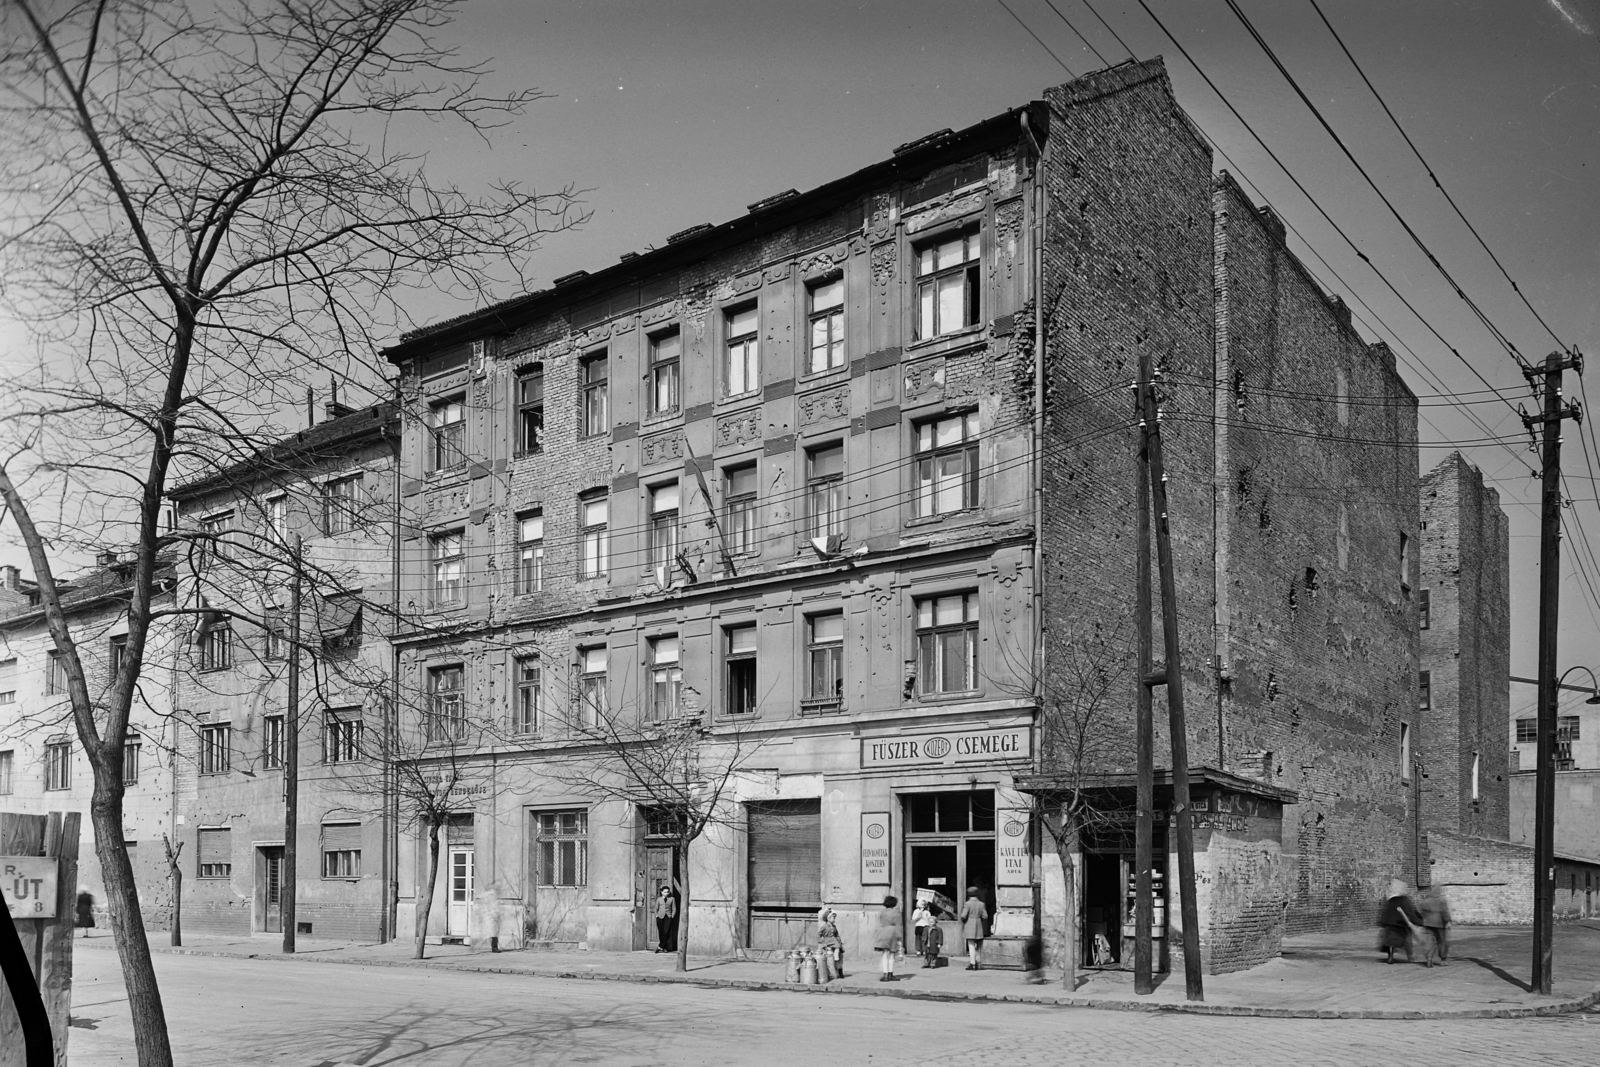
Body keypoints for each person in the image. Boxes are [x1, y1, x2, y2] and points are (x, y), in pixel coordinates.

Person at [1376, 879, 1420, 964]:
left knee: (1390, 942)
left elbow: (1385, 912)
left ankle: (1390, 957)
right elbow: (1411, 911)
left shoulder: (1390, 900)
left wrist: (1382, 922)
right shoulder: (1405, 900)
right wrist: (1417, 921)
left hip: (1390, 924)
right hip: (1402, 924)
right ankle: (1410, 957)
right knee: (1407, 941)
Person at [1416, 884, 1452, 967]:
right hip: (1439, 924)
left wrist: (1423, 921)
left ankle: (1429, 958)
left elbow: (1421, 912)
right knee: (1441, 941)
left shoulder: (1426, 901)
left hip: (1428, 924)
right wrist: (1448, 921)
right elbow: (1444, 912)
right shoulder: (1441, 900)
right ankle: (1443, 959)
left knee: (1430, 942)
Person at [872, 895, 903, 982]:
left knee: (884, 954)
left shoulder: (882, 912)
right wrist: (900, 938)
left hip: (883, 931)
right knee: (892, 954)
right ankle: (890, 974)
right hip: (893, 932)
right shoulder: (896, 913)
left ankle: (885, 975)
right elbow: (899, 925)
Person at [959, 886, 989, 971]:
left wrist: (963, 920)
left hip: (969, 924)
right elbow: (985, 916)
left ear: (969, 895)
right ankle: (979, 963)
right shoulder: (981, 904)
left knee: (971, 945)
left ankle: (973, 963)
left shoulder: (967, 904)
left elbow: (963, 916)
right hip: (978, 924)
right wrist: (979, 919)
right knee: (978, 946)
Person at [816, 906, 844, 980]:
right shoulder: (824, 927)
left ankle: (839, 971)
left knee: (840, 954)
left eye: (835, 917)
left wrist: (840, 942)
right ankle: (830, 973)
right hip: (828, 943)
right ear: (828, 918)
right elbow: (818, 935)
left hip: (835, 942)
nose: (834, 919)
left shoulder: (834, 927)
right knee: (829, 957)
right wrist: (822, 942)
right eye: (833, 917)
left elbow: (837, 935)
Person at [654, 885, 678, 953]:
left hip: (668, 917)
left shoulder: (672, 899)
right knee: (661, 932)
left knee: (666, 932)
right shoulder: (659, 899)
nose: (666, 893)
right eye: (665, 892)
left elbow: (674, 909)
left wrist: (672, 916)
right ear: (662, 892)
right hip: (660, 917)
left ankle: (660, 946)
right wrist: (656, 916)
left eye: (667, 892)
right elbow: (655, 908)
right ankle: (664, 947)